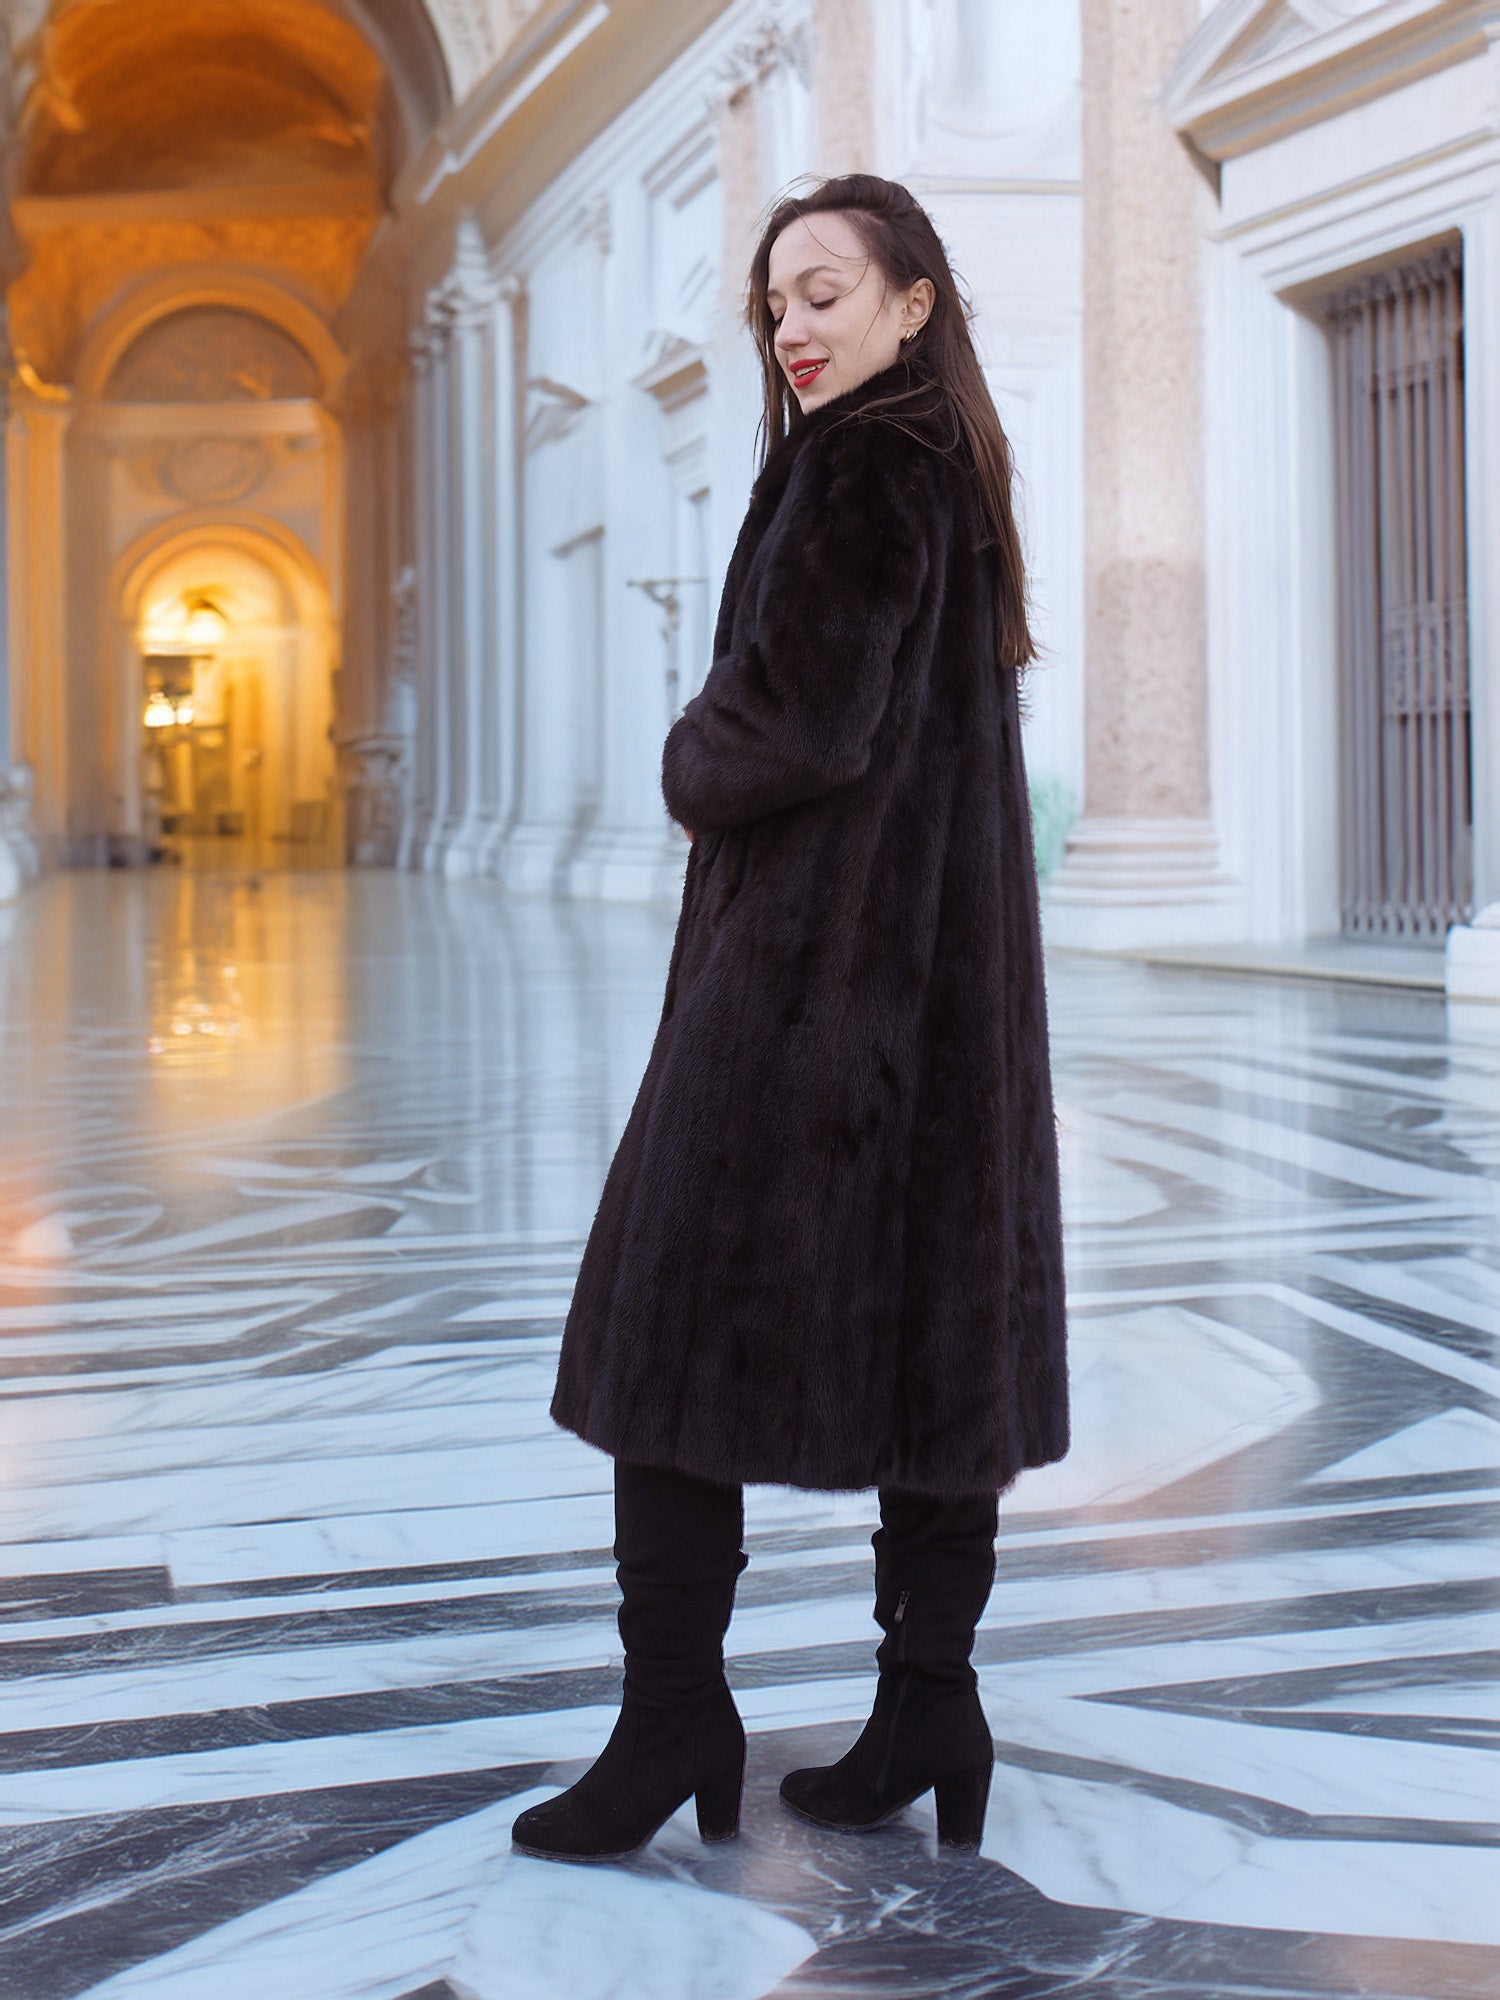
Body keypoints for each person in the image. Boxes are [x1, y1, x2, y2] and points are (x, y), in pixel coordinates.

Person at [512, 173, 1068, 1864]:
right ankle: (928, 1703)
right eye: (775, 306)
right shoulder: (953, 469)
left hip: (808, 995)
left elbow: (796, 722)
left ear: (914, 303)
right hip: (939, 997)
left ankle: (676, 1710)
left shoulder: (858, 466)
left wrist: (693, 752)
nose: (794, 329)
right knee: (933, 1333)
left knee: (666, 1330)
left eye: (824, 292)